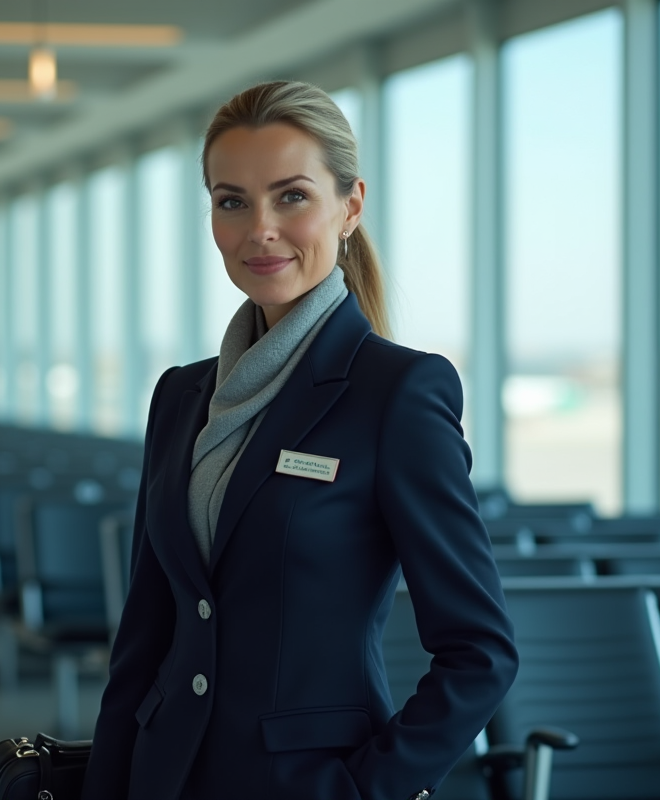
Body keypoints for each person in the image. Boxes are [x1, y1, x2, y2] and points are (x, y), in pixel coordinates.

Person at [83, 82, 518, 800]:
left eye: (291, 197)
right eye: (232, 201)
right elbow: (144, 639)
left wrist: (364, 790)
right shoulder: (180, 397)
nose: (260, 229)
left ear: (350, 206)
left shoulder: (397, 394)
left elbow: (481, 654)